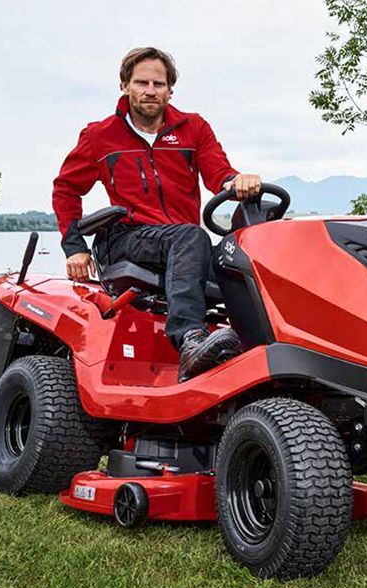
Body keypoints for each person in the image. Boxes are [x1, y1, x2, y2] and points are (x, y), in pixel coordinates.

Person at [52, 47, 261, 382]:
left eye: (158, 84)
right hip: (125, 238)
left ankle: (264, 352)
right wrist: (74, 246)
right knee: (192, 236)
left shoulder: (193, 128)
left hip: (179, 243)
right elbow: (66, 189)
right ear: (125, 86)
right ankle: (189, 341)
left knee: (243, 259)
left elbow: (218, 172)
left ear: (170, 90)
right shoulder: (100, 136)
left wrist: (237, 182)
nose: (150, 90)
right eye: (142, 82)